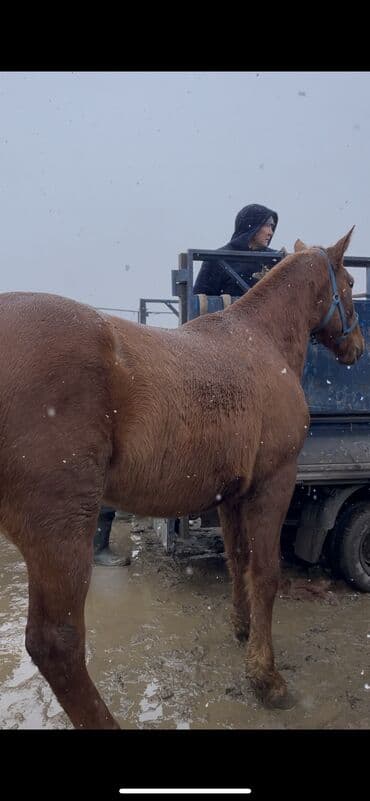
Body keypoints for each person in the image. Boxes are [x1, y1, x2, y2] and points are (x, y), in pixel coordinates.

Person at [193, 203, 286, 297]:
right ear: (253, 226)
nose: (271, 232)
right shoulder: (216, 260)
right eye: (267, 225)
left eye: (272, 226)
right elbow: (199, 303)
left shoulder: (276, 260)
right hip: (229, 312)